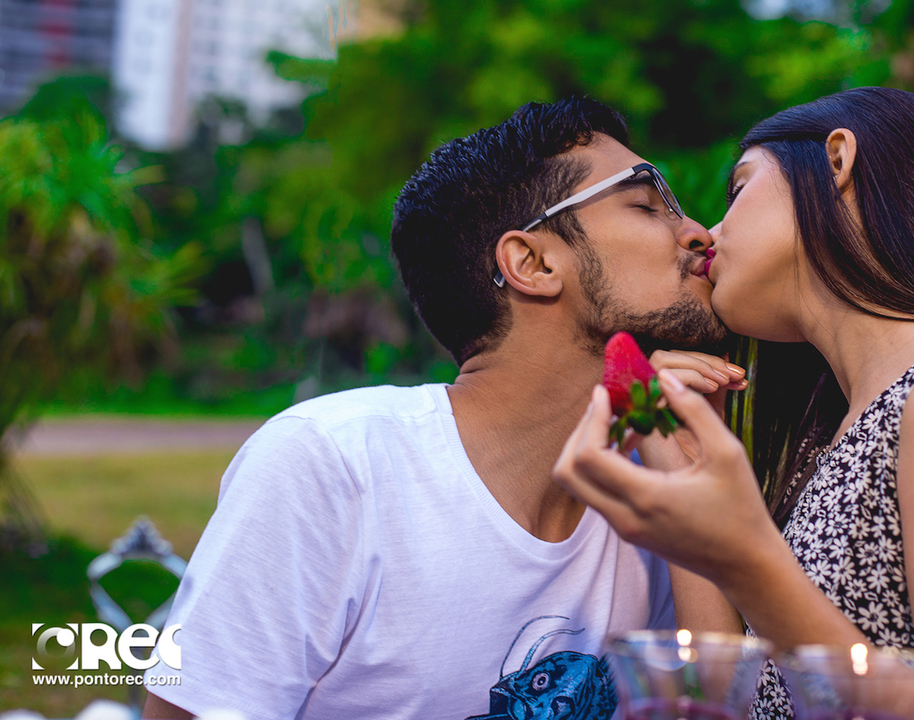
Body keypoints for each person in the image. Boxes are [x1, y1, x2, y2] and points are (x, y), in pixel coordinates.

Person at [142, 97, 742, 720]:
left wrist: (687, 486)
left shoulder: (651, 490)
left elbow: (709, 709)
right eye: (647, 204)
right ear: (532, 263)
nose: (699, 231)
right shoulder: (337, 466)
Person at [553, 87, 914, 720]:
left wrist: (749, 561)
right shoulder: (858, 426)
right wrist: (684, 471)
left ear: (835, 163)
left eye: (738, 190)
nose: (709, 235)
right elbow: (728, 704)